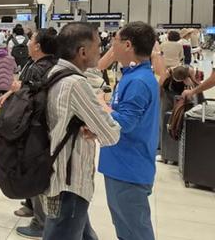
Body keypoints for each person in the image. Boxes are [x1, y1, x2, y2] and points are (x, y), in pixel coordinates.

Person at [42, 23, 121, 240]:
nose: (101, 51)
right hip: (71, 182)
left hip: (56, 173)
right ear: (83, 52)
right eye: (98, 46)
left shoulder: (54, 72)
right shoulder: (76, 84)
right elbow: (111, 134)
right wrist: (100, 105)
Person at [99, 22, 160, 240]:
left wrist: (101, 105)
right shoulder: (132, 76)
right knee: (125, 228)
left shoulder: (138, 82)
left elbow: (125, 122)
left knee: (135, 231)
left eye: (114, 41)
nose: (111, 46)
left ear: (127, 45)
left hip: (128, 167)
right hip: (121, 163)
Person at [0, 29, 58, 239]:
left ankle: (40, 222)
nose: (28, 43)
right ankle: (32, 206)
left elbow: (30, 96)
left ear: (38, 46)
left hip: (34, 127)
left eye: (32, 40)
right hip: (38, 125)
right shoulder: (45, 64)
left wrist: (16, 92)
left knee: (33, 168)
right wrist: (12, 91)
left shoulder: (40, 68)